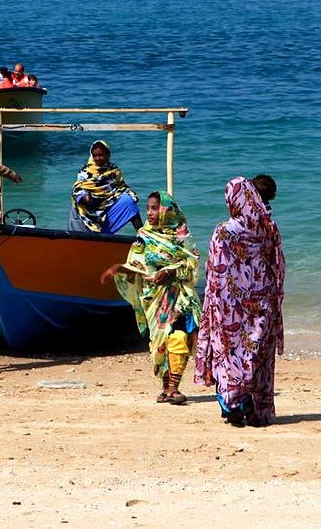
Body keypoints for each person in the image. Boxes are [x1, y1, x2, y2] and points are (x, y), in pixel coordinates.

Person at [194, 176, 286, 427]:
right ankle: (257, 410)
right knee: (257, 354)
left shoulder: (223, 231)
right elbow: (275, 264)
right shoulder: (268, 226)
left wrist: (210, 306)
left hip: (229, 306)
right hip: (262, 302)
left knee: (229, 353)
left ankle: (235, 401)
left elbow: (214, 272)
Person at [101, 191, 201, 405]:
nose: (150, 212)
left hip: (180, 295)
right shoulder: (144, 236)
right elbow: (136, 266)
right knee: (159, 343)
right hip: (154, 298)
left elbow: (192, 267)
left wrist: (172, 272)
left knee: (179, 336)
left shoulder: (182, 235)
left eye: (155, 208)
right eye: (148, 208)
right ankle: (166, 388)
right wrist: (120, 269)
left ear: (166, 210)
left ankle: (174, 387)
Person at [68, 140, 141, 233]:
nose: (98, 159)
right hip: (87, 217)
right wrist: (86, 196)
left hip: (106, 208)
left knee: (129, 201)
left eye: (101, 155)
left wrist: (130, 194)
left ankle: (141, 234)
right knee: (83, 199)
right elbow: (77, 189)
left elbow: (121, 188)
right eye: (95, 156)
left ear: (108, 155)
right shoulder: (86, 172)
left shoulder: (114, 171)